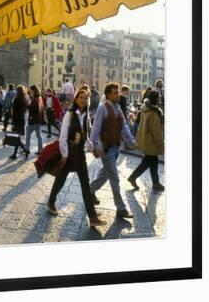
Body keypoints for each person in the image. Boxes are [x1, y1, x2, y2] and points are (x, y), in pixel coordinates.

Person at [46, 89, 106, 227]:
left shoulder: (85, 115)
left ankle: (92, 216)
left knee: (84, 184)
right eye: (81, 97)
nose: (84, 100)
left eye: (86, 98)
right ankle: (51, 202)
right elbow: (63, 137)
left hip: (79, 154)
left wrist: (92, 149)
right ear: (76, 98)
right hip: (69, 153)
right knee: (61, 179)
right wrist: (65, 155)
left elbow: (85, 137)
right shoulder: (70, 114)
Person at [90, 82, 137, 219]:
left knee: (104, 174)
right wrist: (96, 146)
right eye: (116, 92)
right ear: (108, 94)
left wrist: (131, 141)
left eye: (118, 92)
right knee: (114, 178)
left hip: (116, 148)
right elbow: (95, 130)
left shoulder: (118, 108)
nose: (119, 94)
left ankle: (90, 191)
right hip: (106, 149)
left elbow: (124, 127)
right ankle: (121, 208)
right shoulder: (102, 109)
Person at [128, 90, 165, 192]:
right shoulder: (154, 112)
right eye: (159, 97)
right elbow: (156, 131)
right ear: (156, 99)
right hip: (151, 142)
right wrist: (161, 144)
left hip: (145, 139)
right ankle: (133, 177)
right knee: (149, 161)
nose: (160, 98)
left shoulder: (145, 108)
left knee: (152, 161)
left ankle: (155, 183)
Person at [9, 85, 31, 160]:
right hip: (22, 120)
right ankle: (15, 153)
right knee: (17, 138)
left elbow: (14, 112)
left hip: (17, 120)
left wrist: (13, 123)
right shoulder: (25, 99)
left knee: (17, 138)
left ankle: (25, 150)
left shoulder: (16, 99)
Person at [25, 85, 44, 155]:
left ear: (34, 91)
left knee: (28, 135)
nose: (30, 92)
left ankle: (27, 149)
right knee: (39, 136)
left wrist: (28, 104)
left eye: (31, 90)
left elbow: (31, 108)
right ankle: (40, 150)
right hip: (38, 120)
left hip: (33, 120)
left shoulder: (35, 99)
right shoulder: (39, 98)